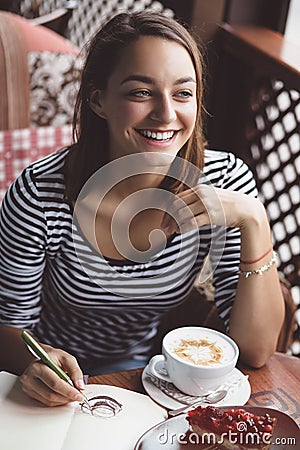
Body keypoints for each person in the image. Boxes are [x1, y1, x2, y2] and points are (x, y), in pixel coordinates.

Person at [0, 11, 284, 407]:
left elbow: (255, 351)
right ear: (98, 100)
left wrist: (256, 219)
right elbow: (10, 328)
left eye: (183, 93)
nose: (166, 113)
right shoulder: (38, 195)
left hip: (147, 382)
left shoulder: (226, 179)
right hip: (54, 380)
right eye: (141, 92)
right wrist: (36, 361)